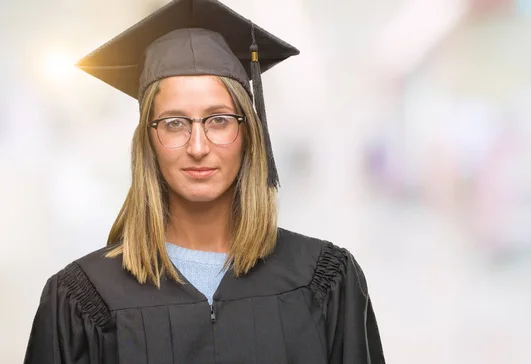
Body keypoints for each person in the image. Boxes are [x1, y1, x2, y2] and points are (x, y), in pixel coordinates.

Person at [23, 0, 385, 363]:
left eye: (219, 120)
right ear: (147, 141)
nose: (198, 147)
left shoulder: (325, 283)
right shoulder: (83, 299)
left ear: (249, 134)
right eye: (174, 123)